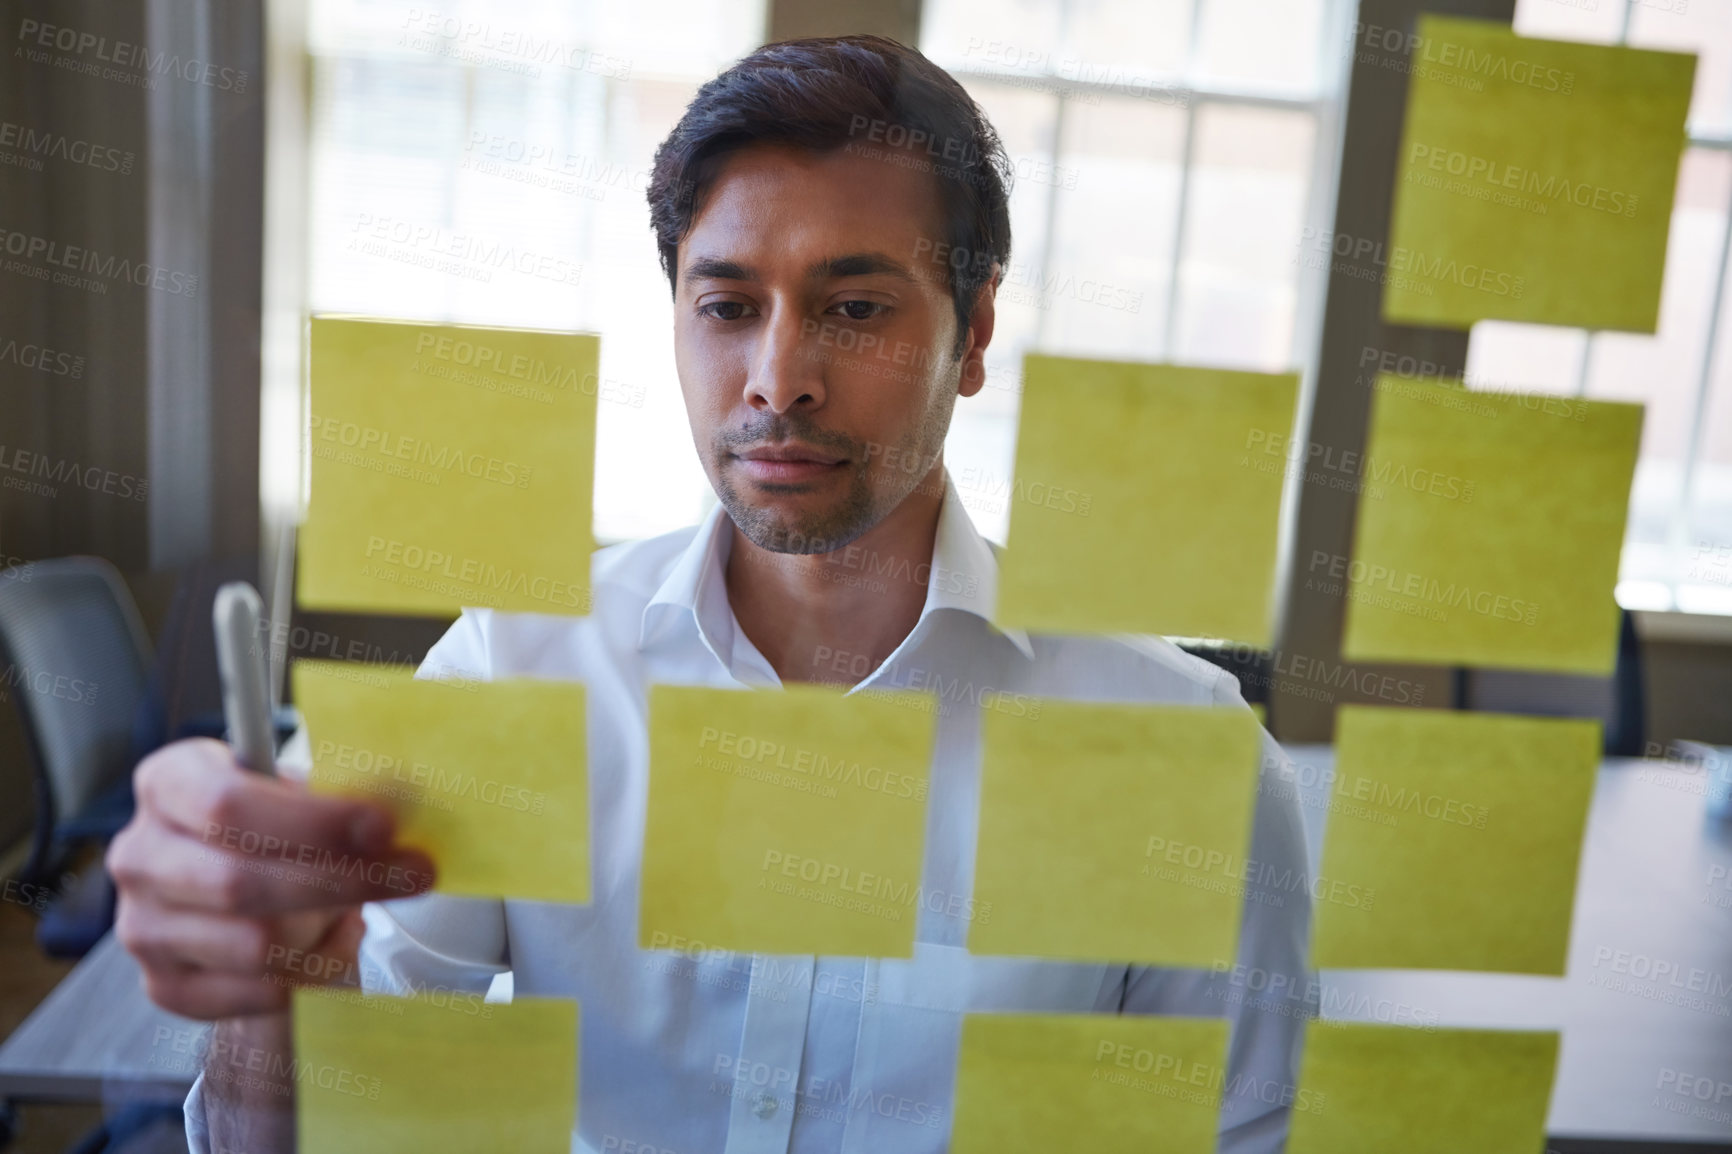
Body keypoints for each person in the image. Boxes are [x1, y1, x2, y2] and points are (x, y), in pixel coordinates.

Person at [108, 34, 1315, 1154]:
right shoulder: (519, 668)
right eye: (728, 306)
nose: (778, 380)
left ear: (976, 326)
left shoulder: (1186, 760)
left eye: (855, 308)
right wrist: (283, 982)